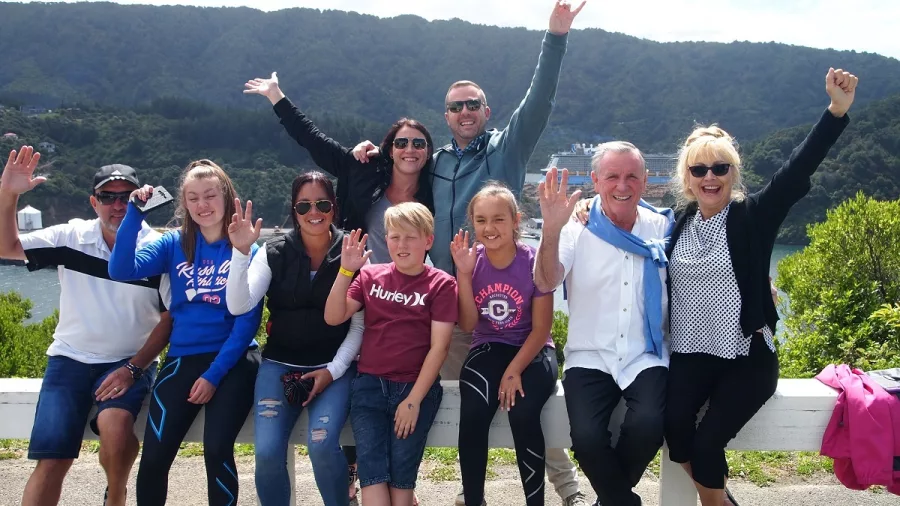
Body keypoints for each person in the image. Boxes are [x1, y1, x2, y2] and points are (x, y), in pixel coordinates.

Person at [353, 3, 589, 502]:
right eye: (456, 107)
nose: (464, 113)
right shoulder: (432, 161)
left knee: (522, 397)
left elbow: (539, 102)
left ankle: (567, 487)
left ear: (486, 111)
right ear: (447, 116)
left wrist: (555, 38)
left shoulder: (504, 150)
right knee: (454, 400)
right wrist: (365, 154)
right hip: (450, 299)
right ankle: (436, 489)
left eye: (473, 105)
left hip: (507, 302)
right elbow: (392, 177)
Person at [663, 68, 857, 506]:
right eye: (699, 169)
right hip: (691, 353)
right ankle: (724, 501)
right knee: (676, 433)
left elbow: (795, 171)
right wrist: (585, 216)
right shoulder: (676, 224)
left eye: (720, 167)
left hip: (745, 356)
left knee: (708, 443)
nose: (709, 176)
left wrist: (835, 113)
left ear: (733, 172)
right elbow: (627, 223)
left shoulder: (753, 216)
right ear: (687, 178)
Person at [0, 148, 172, 506]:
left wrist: (133, 368)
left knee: (116, 428)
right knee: (53, 459)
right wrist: (9, 193)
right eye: (108, 197)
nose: (118, 205)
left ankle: (117, 493)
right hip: (69, 360)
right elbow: (7, 247)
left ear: (142, 200)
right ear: (94, 202)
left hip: (130, 361)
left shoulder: (156, 249)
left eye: (127, 197)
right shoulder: (70, 237)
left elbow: (171, 316)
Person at [108, 160, 263, 506]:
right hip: (182, 359)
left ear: (226, 197)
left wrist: (213, 376)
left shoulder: (246, 248)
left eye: (210, 195)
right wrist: (135, 213)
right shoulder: (173, 245)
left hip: (234, 360)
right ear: (184, 204)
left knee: (217, 451)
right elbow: (120, 269)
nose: (202, 205)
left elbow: (247, 323)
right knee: (154, 459)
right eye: (193, 198)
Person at [534, 152, 672, 505]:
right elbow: (546, 281)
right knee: (586, 437)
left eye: (632, 177)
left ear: (646, 181)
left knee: (649, 425)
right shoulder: (574, 227)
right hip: (589, 354)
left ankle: (610, 500)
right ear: (595, 181)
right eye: (612, 176)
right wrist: (550, 227)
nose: (622, 186)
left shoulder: (664, 227)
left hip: (646, 353)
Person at [225, 171, 364, 506]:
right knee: (269, 452)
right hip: (279, 363)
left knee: (321, 442)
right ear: (293, 209)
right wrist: (241, 253)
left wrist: (332, 371)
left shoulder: (352, 251)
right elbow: (239, 304)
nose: (313, 212)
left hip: (335, 367)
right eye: (304, 206)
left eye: (322, 203)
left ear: (334, 207)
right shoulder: (273, 251)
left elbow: (359, 327)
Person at [324, 202, 457, 506]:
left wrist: (413, 400)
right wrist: (346, 270)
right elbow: (334, 316)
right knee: (372, 477)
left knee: (400, 484)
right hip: (370, 387)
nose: (401, 245)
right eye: (394, 237)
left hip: (414, 388)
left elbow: (440, 347)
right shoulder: (371, 277)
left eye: (410, 237)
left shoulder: (441, 285)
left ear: (428, 241)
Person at [243, 71, 435, 264]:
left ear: (428, 153)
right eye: (401, 143)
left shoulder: (436, 187)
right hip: (357, 282)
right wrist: (275, 95)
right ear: (391, 150)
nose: (410, 149)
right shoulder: (362, 169)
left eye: (418, 144)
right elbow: (313, 139)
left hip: (411, 290)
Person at [451, 183, 557, 506]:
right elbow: (468, 325)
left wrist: (513, 370)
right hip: (488, 346)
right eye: (481, 220)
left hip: (533, 349)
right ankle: (473, 501)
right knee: (472, 414)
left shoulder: (534, 261)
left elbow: (541, 329)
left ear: (516, 220)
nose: (489, 228)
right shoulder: (472, 262)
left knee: (523, 414)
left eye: (498, 219)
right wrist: (464, 276)